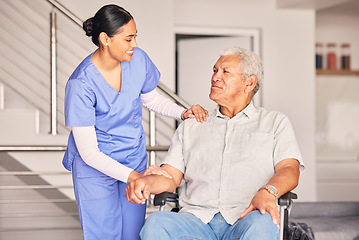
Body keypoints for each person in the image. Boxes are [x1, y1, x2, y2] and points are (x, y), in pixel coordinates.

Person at [126, 46, 305, 240]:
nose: (215, 77)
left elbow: (289, 169)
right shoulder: (192, 126)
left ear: (249, 82)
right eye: (214, 70)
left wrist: (268, 192)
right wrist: (144, 183)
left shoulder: (275, 122)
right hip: (196, 220)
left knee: (262, 223)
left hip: (247, 217)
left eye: (225, 71)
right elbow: (170, 177)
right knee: (156, 222)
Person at [62, 4, 208, 240]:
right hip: (96, 169)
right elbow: (89, 153)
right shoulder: (81, 84)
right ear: (105, 39)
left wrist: (183, 113)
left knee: (132, 233)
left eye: (135, 37)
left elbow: (151, 99)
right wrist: (136, 178)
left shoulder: (137, 60)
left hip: (132, 155)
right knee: (105, 235)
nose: (135, 45)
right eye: (128, 39)